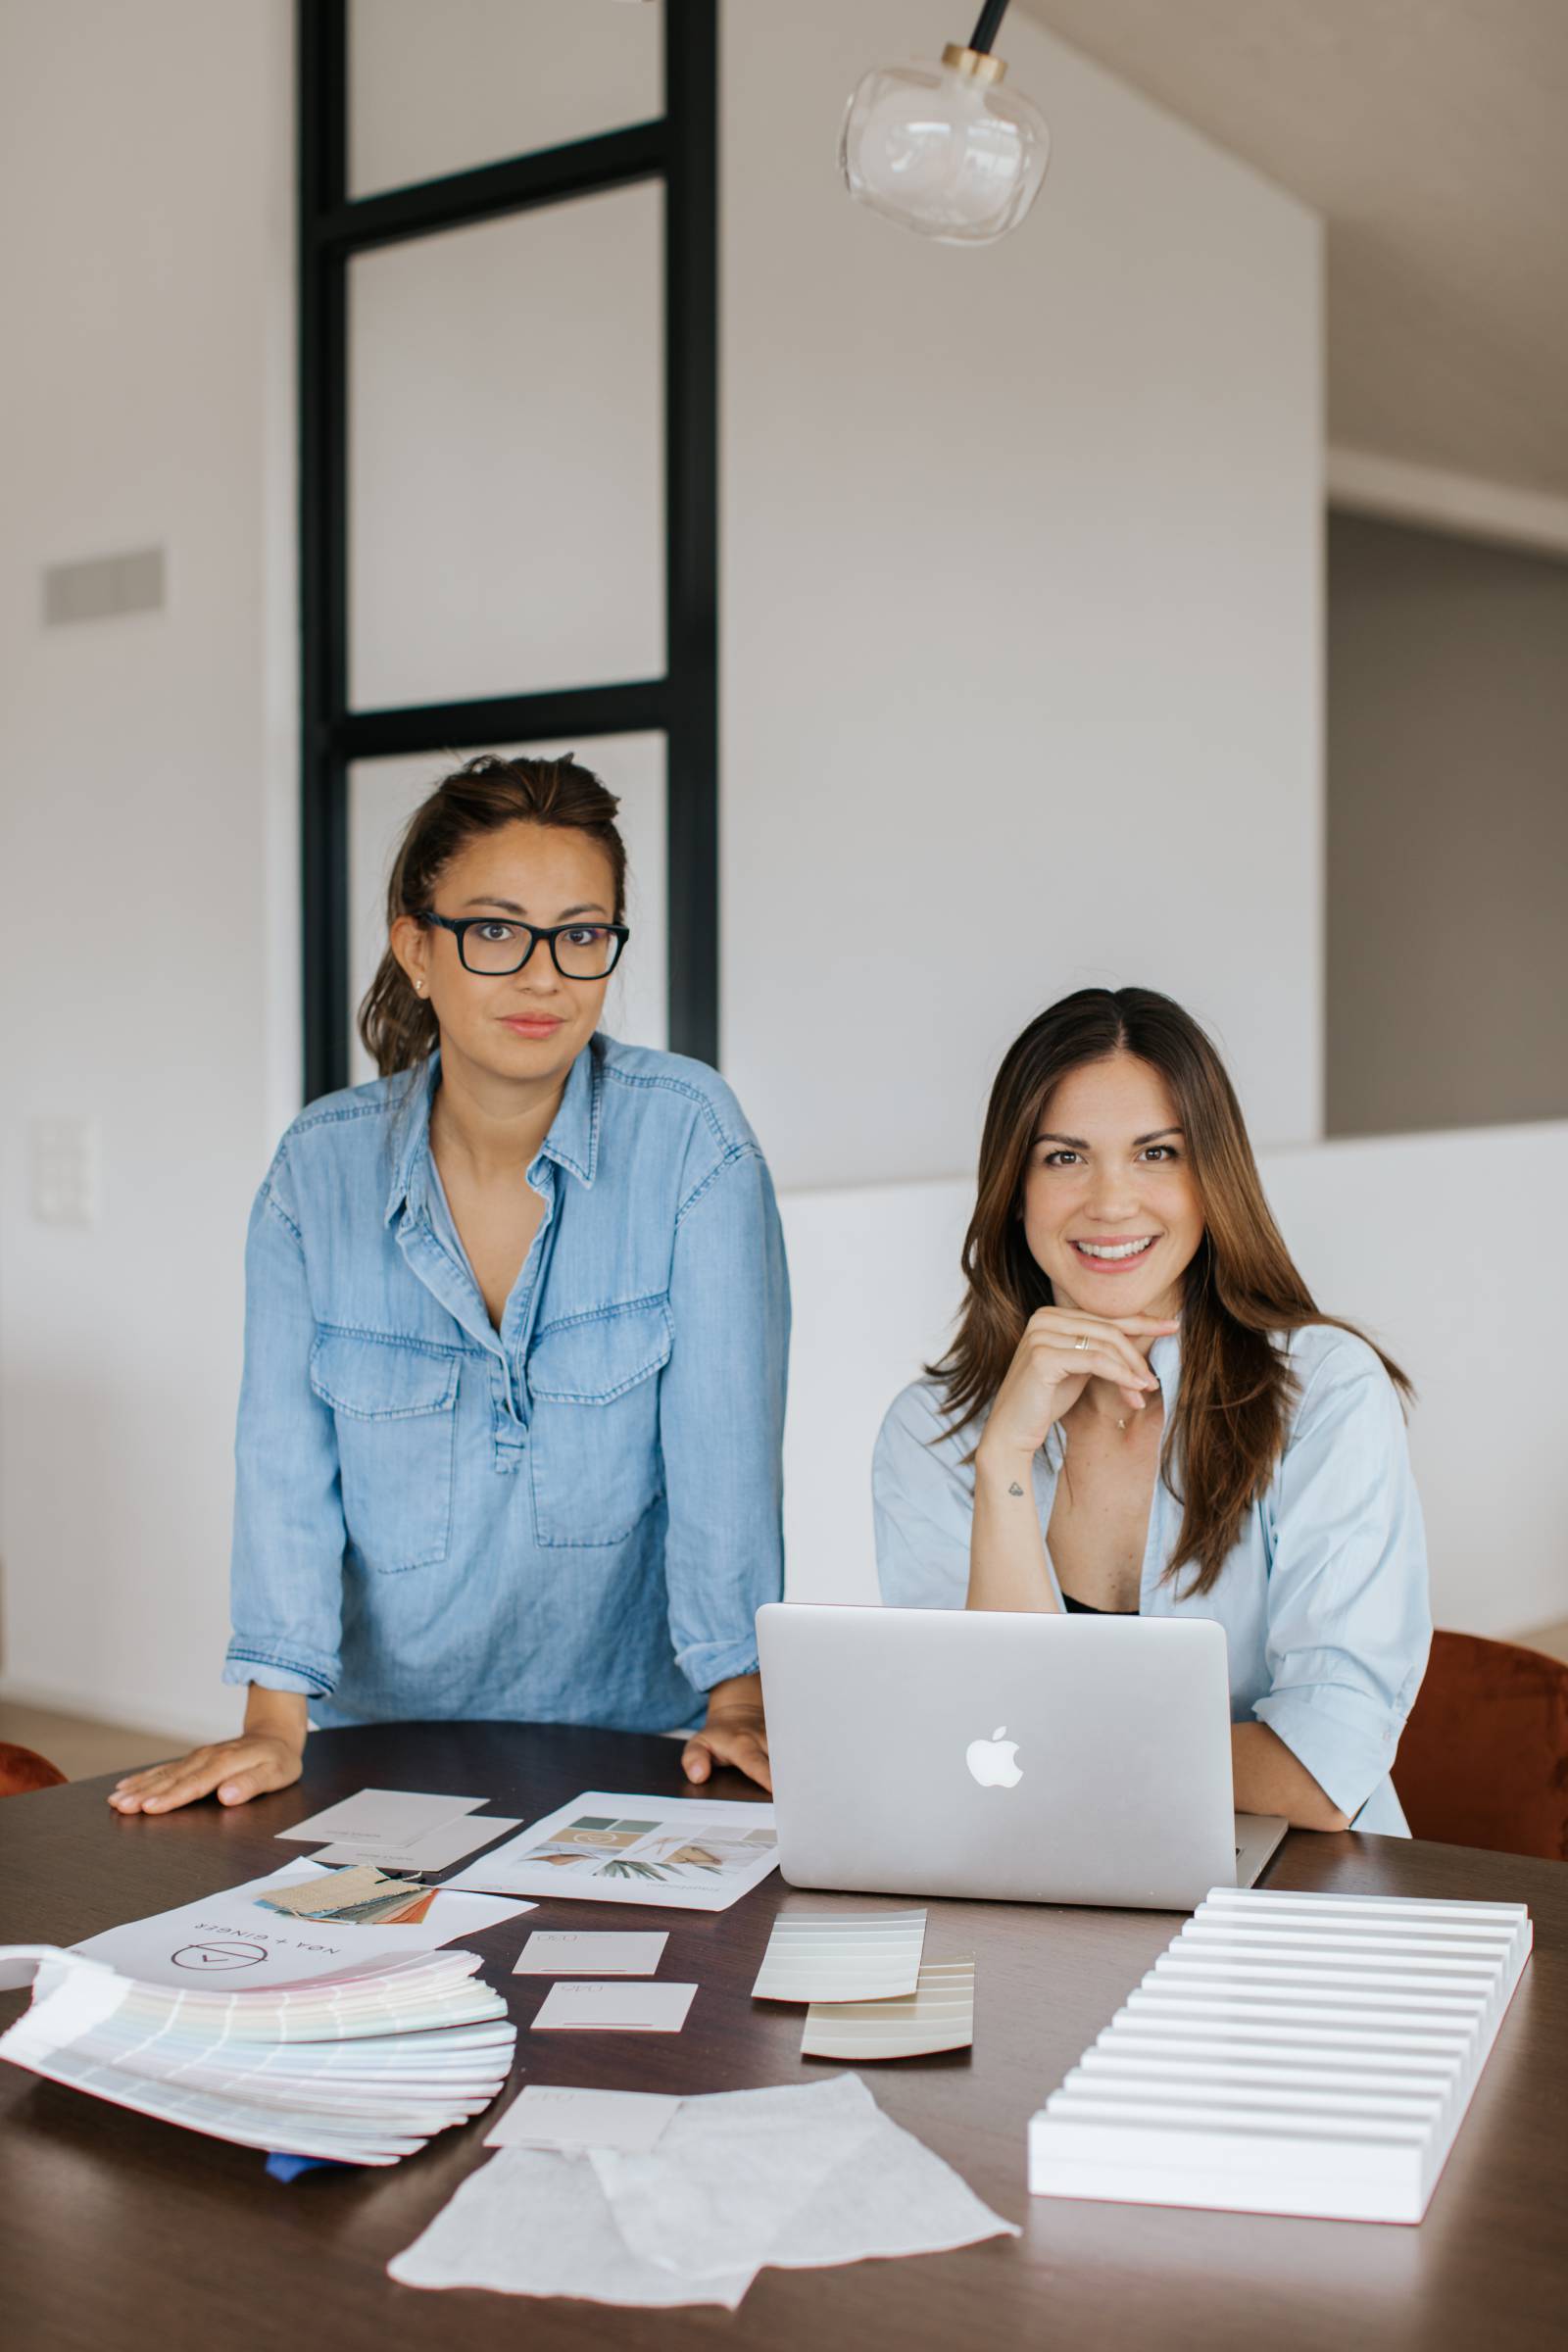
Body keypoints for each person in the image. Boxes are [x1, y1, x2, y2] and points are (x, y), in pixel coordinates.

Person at [112, 754, 788, 1815]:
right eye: (494, 930)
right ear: (416, 948)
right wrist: (271, 1722)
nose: (542, 975)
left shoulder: (692, 1139)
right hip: (382, 1744)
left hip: (639, 1735)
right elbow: (283, 1464)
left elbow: (725, 1452)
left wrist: (739, 1701)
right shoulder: (316, 1169)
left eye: (580, 933)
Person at [873, 986, 1430, 1835]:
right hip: (1036, 1885)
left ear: (1213, 1179)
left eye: (1157, 1153)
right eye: (1064, 1157)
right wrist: (1006, 1462)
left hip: (1294, 1901)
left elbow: (1324, 1769)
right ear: (1013, 1187)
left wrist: (1059, 1748)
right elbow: (980, 1748)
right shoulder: (931, 1432)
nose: (1111, 1200)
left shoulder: (1327, 1394)